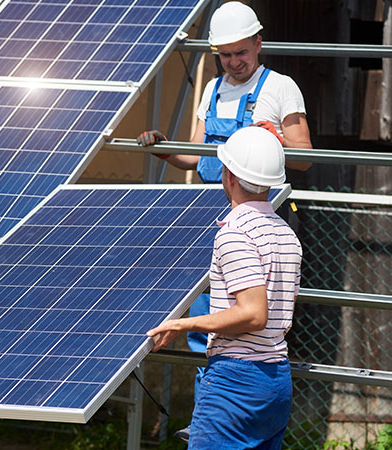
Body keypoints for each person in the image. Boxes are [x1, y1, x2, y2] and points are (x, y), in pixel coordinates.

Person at [137, 2, 310, 441]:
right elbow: (194, 157)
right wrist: (161, 147)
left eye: (241, 52)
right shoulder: (213, 87)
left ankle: (218, 419)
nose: (234, 62)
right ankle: (206, 415)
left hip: (256, 210)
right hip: (212, 212)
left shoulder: (280, 87)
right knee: (209, 311)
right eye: (225, 54)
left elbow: (304, 155)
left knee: (242, 314)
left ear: (258, 42)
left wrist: (272, 136)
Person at [147, 126, 302, 449]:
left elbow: (253, 313)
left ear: (228, 174)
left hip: (235, 382)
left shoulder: (234, 234)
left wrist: (184, 323)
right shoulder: (287, 234)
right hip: (277, 380)